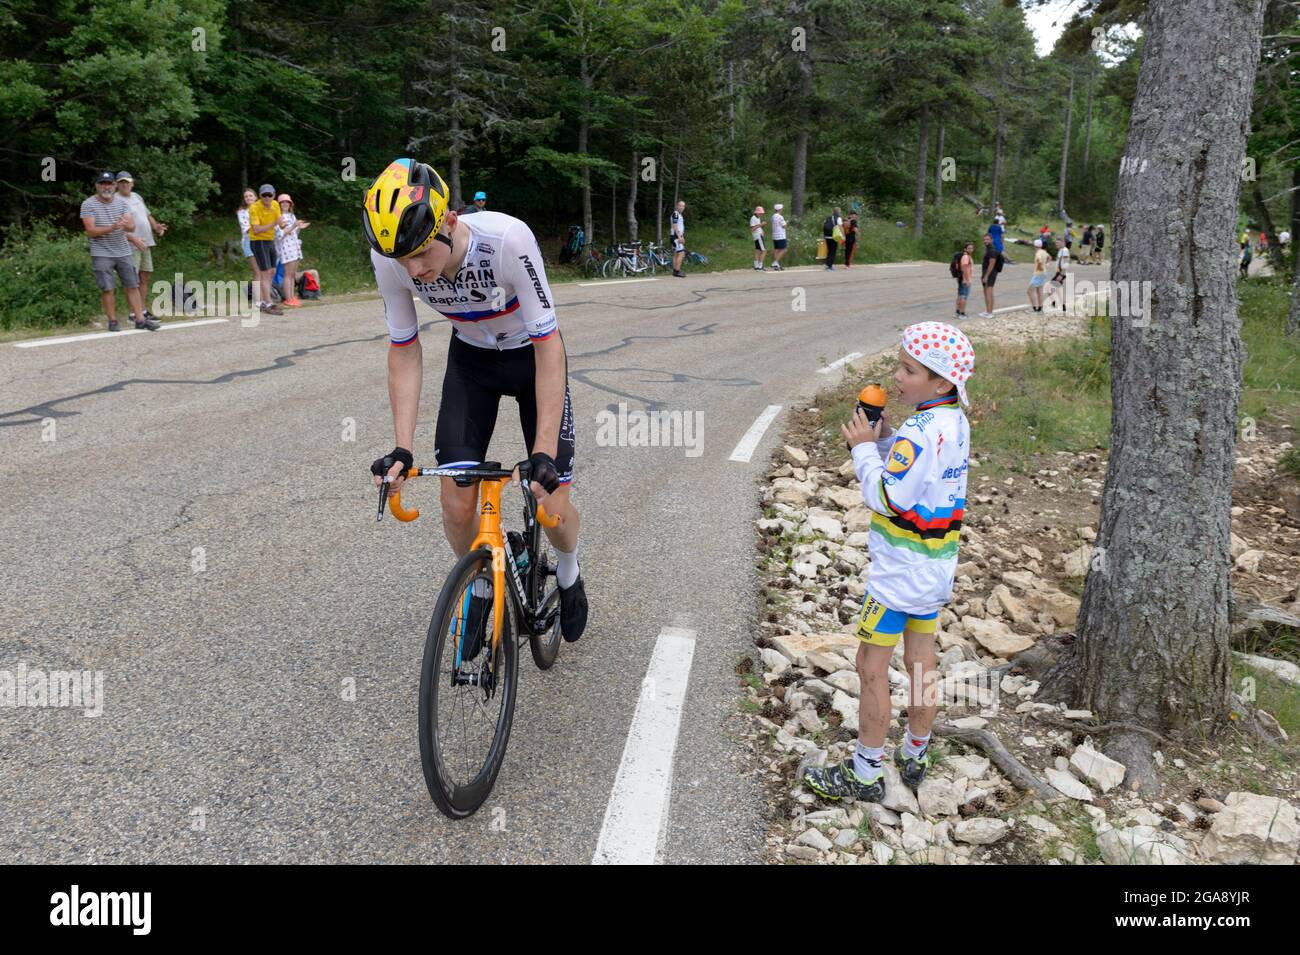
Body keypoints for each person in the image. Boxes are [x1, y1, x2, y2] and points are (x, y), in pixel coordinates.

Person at [363, 157, 587, 644]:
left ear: (448, 221)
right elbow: (404, 349)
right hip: (473, 361)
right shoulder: (391, 258)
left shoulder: (508, 241)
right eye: (402, 260)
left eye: (421, 254)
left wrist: (543, 451)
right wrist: (402, 448)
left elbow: (550, 347)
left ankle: (568, 572)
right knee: (456, 504)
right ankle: (482, 581)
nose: (415, 271)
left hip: (532, 358)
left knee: (551, 506)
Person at [802, 321, 974, 803]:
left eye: (908, 369)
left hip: (897, 578)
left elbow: (886, 497)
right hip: (935, 568)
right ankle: (915, 751)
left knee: (870, 666)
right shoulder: (954, 420)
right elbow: (921, 475)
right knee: (922, 661)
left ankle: (864, 773)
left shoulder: (919, 432)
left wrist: (862, 450)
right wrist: (887, 442)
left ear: (940, 382)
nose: (896, 377)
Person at [80, 170, 156, 332]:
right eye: (103, 184)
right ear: (97, 186)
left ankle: (140, 320)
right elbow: (91, 230)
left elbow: (131, 226)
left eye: (109, 184)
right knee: (108, 287)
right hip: (102, 252)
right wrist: (112, 227)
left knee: (132, 284)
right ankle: (113, 321)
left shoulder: (122, 204)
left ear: (114, 186)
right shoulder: (88, 204)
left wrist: (124, 225)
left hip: (123, 250)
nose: (106, 187)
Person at [114, 172, 166, 323]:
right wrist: (133, 238)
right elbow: (116, 227)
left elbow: (147, 215)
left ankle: (142, 311)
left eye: (127, 182)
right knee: (132, 279)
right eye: (121, 182)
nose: (125, 184)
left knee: (145, 276)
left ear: (132, 183)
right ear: (117, 184)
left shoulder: (137, 196)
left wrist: (156, 226)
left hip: (146, 243)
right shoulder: (115, 201)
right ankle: (133, 314)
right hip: (129, 245)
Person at [248, 184, 283, 315]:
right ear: (260, 196)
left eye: (270, 195)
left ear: (274, 195)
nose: (267, 198)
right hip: (258, 241)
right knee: (265, 273)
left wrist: (286, 225)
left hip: (270, 240)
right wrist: (274, 223)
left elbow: (280, 221)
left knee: (272, 270)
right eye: (264, 195)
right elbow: (256, 230)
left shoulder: (275, 204)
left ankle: (263, 301)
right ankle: (268, 303)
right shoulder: (254, 208)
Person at [274, 193, 310, 307]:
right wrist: (294, 226)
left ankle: (292, 296)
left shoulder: (291, 216)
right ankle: (288, 298)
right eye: (282, 202)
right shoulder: (277, 217)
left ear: (290, 204)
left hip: (294, 246)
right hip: (285, 247)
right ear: (279, 204)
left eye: (287, 202)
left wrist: (299, 227)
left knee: (292, 274)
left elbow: (294, 233)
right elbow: (280, 234)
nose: (285, 204)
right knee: (287, 274)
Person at [978, 232, 1002, 318]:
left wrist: (986, 276)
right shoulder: (988, 248)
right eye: (984, 239)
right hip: (987, 272)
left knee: (989, 292)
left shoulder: (992, 250)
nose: (985, 241)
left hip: (990, 273)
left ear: (992, 240)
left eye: (987, 239)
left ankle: (990, 313)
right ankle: (987, 311)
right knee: (986, 292)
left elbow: (992, 264)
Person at [1028, 237, 1050, 312]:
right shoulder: (1044, 252)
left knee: (1030, 290)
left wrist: (1040, 266)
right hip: (1044, 272)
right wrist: (1046, 264)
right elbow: (1049, 257)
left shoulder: (1038, 253)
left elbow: (1039, 260)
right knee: (1039, 290)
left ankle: (1034, 307)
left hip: (1038, 273)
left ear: (1035, 246)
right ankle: (1040, 307)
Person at [1049, 240, 1070, 312]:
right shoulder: (1061, 250)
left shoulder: (1065, 250)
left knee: (1050, 287)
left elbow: (1066, 262)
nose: (1056, 244)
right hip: (1058, 272)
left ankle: (1054, 303)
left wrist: (1061, 274)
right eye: (1056, 243)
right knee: (1057, 289)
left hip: (1061, 273)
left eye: (1058, 243)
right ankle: (1062, 306)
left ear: (1063, 242)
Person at [955, 240, 973, 321]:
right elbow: (964, 269)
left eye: (972, 248)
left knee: (960, 296)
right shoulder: (966, 257)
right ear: (965, 249)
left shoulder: (966, 256)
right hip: (965, 280)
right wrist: (968, 280)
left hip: (962, 279)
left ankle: (958, 311)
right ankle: (962, 313)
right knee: (964, 297)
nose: (971, 250)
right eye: (969, 248)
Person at [670, 199, 686, 277]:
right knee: (681, 253)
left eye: (683, 206)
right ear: (677, 206)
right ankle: (677, 271)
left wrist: (682, 236)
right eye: (680, 205)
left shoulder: (679, 215)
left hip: (677, 236)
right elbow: (675, 225)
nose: (682, 207)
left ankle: (675, 270)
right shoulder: (675, 214)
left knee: (676, 254)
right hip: (676, 237)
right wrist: (679, 237)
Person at [770, 203, 788, 270]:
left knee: (776, 250)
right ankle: (775, 262)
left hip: (774, 235)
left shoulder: (773, 216)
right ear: (780, 209)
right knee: (784, 249)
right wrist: (786, 223)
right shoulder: (780, 217)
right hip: (781, 235)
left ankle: (777, 265)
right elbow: (784, 226)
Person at [750, 205, 768, 271]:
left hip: (759, 235)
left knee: (758, 250)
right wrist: (761, 225)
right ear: (757, 212)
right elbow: (752, 228)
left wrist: (762, 230)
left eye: (762, 213)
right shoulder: (753, 218)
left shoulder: (757, 218)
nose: (761, 214)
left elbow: (758, 226)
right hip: (758, 236)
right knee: (764, 250)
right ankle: (760, 266)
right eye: (760, 213)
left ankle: (756, 266)